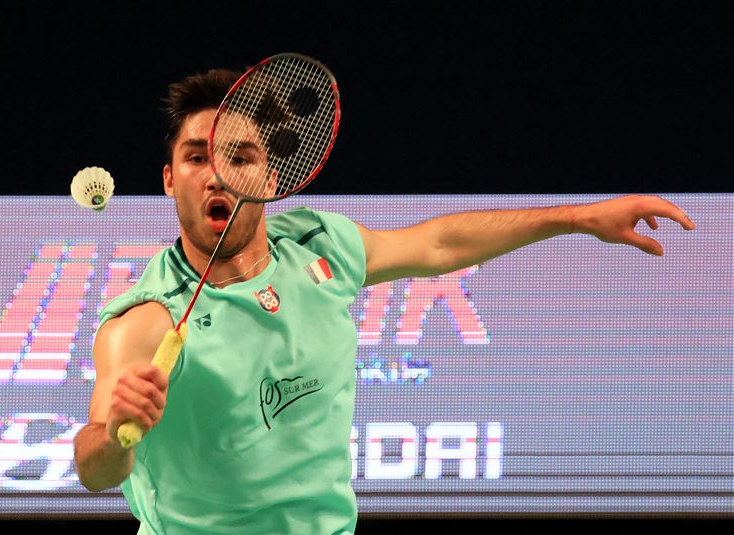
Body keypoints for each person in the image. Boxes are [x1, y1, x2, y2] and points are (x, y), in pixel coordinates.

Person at [72, 67, 695, 534]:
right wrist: (118, 438)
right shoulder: (144, 320)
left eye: (240, 156)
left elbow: (440, 244)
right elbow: (94, 469)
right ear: (169, 179)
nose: (218, 173)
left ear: (269, 177)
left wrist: (581, 217)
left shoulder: (321, 245)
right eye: (196, 157)